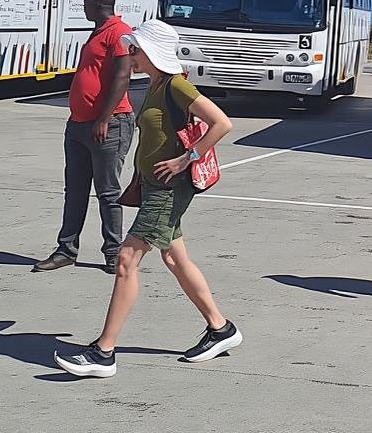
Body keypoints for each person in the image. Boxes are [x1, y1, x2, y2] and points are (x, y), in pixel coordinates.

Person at [55, 20, 239, 377]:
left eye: (134, 49)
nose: (130, 55)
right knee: (174, 258)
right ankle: (221, 329)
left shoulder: (176, 85)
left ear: (151, 51)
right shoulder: (154, 85)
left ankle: (103, 353)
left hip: (169, 189)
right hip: (155, 186)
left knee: (126, 260)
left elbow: (222, 123)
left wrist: (188, 158)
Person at [35, 0, 135, 274]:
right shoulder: (98, 30)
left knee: (108, 192)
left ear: (96, 4)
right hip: (79, 124)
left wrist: (104, 118)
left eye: (85, 3)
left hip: (109, 124)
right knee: (75, 191)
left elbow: (123, 76)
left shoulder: (119, 32)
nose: (83, 8)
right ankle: (66, 249)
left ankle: (113, 253)